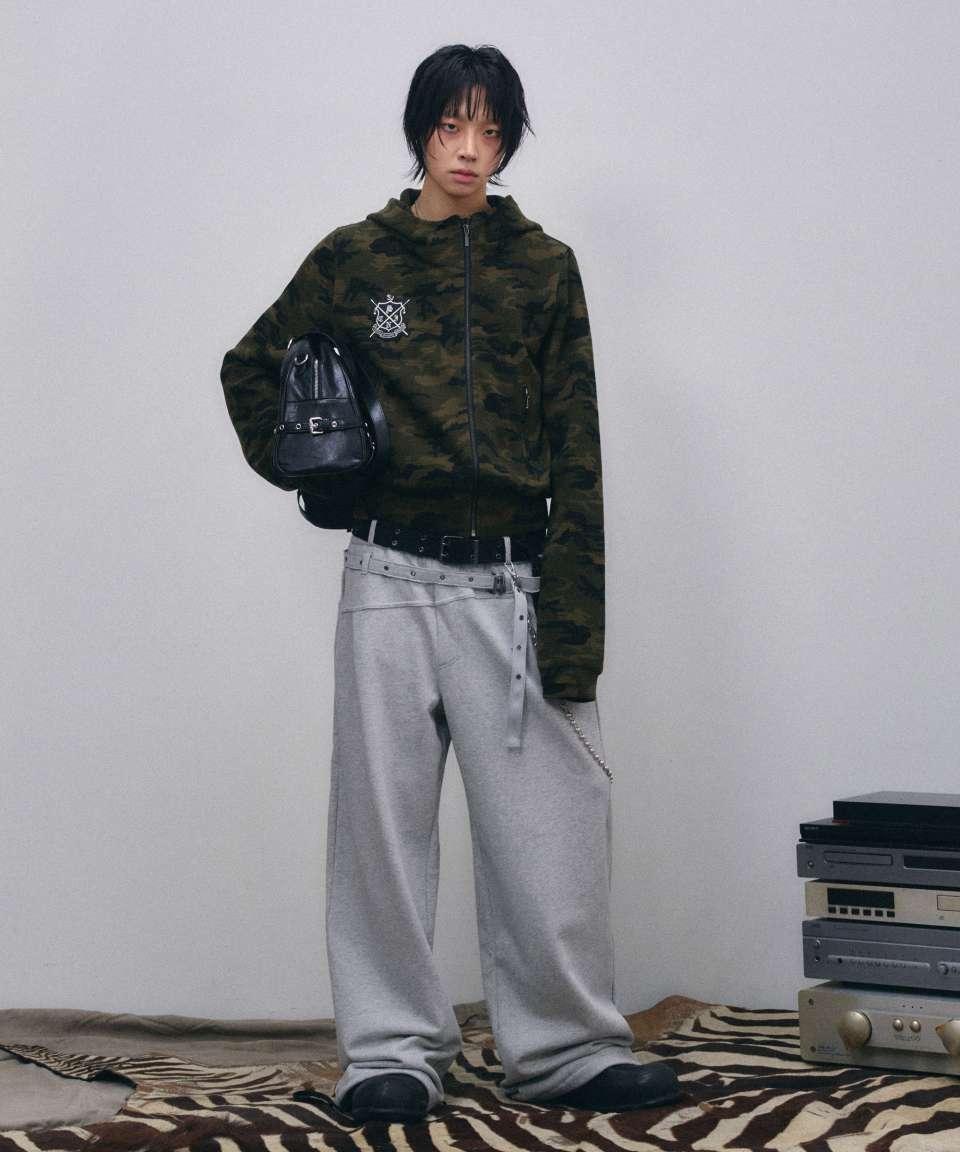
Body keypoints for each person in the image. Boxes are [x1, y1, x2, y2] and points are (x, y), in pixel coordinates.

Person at [221, 44, 681, 1124]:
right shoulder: (356, 258)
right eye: (450, 127)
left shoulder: (544, 267)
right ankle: (389, 1051)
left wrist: (575, 628)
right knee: (379, 835)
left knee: (551, 830)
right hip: (386, 580)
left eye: (490, 131)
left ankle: (567, 1048)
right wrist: (324, 477)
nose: (470, 150)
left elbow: (579, 455)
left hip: (509, 590)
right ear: (421, 131)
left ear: (508, 141)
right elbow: (251, 369)